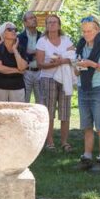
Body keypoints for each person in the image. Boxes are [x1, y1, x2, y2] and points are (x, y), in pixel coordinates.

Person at [74, 16, 100, 172]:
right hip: (83, 89)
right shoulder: (81, 45)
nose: (86, 34)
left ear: (97, 30)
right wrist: (77, 66)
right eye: (84, 31)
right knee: (87, 127)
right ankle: (87, 158)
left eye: (89, 31)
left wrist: (92, 64)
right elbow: (76, 73)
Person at [35, 14, 75, 151]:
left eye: (54, 22)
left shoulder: (66, 40)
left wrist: (61, 60)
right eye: (49, 22)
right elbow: (40, 64)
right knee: (49, 111)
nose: (52, 24)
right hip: (47, 78)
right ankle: (50, 142)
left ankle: (64, 142)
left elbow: (73, 57)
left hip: (65, 79)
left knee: (65, 111)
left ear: (59, 25)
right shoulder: (42, 41)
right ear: (46, 25)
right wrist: (55, 64)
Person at [0, 21, 29, 101]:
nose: (13, 31)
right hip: (0, 87)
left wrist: (15, 50)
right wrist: (17, 70)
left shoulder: (21, 49)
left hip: (17, 87)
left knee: (18, 109)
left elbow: (22, 67)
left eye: (15, 29)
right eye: (9, 29)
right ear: (3, 34)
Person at [17, 12, 44, 104]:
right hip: (26, 72)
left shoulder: (42, 36)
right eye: (31, 18)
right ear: (25, 23)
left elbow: (45, 54)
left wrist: (31, 52)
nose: (34, 19)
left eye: (34, 17)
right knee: (24, 101)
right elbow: (21, 55)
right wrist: (35, 53)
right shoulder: (19, 37)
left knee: (41, 102)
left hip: (40, 71)